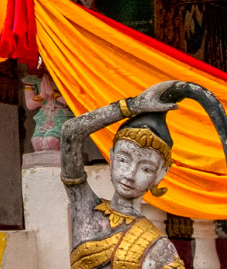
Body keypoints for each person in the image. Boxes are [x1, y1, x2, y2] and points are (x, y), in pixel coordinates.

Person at [60, 83, 184, 269]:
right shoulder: (85, 208)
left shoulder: (158, 247)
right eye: (124, 160)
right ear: (111, 157)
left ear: (161, 174)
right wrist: (131, 106)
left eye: (146, 169)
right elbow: (70, 133)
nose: (130, 174)